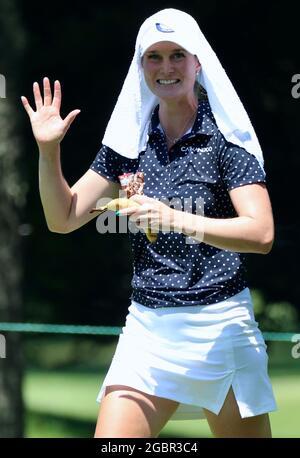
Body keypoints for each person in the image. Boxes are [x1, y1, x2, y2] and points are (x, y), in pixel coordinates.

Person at [21, 8, 277, 438]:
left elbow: (261, 233)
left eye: (177, 54)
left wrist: (173, 218)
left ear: (198, 62)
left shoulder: (226, 139)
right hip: (148, 327)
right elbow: (62, 218)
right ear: (140, 66)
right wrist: (49, 152)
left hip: (221, 327)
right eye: (153, 57)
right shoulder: (128, 143)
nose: (166, 67)